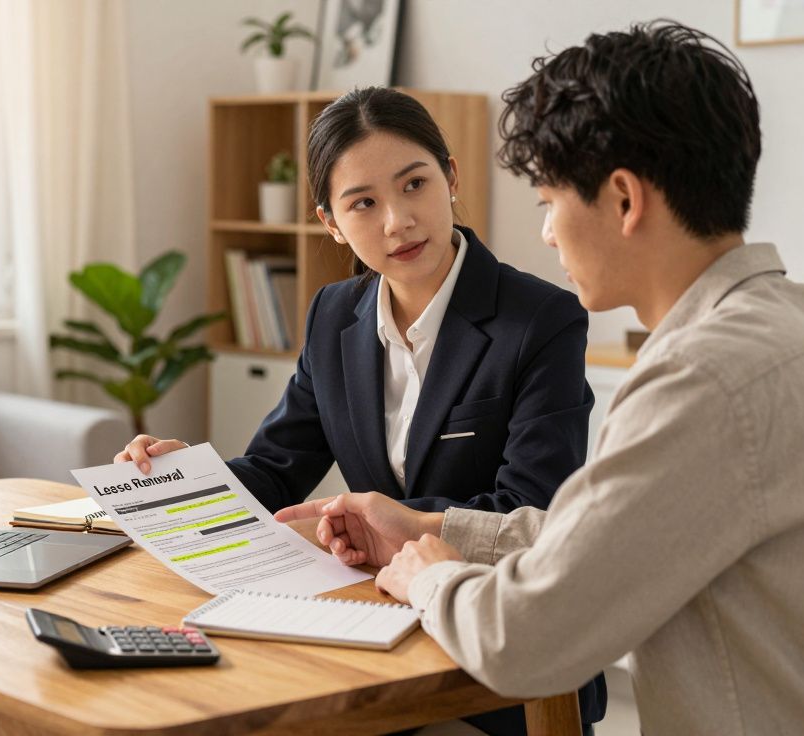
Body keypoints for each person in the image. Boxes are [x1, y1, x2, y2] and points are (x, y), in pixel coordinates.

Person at [278, 20, 804, 735]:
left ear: (625, 199)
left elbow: (521, 642)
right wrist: (429, 526)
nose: (545, 232)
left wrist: (429, 576)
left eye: (548, 201)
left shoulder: (702, 379)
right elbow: (606, 535)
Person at [117, 86, 605, 734]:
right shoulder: (333, 315)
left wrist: (406, 528)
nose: (397, 221)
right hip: (373, 631)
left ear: (451, 178)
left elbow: (531, 512)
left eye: (414, 185)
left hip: (495, 651)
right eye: (363, 203)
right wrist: (188, 477)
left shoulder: (539, 320)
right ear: (330, 221)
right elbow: (276, 466)